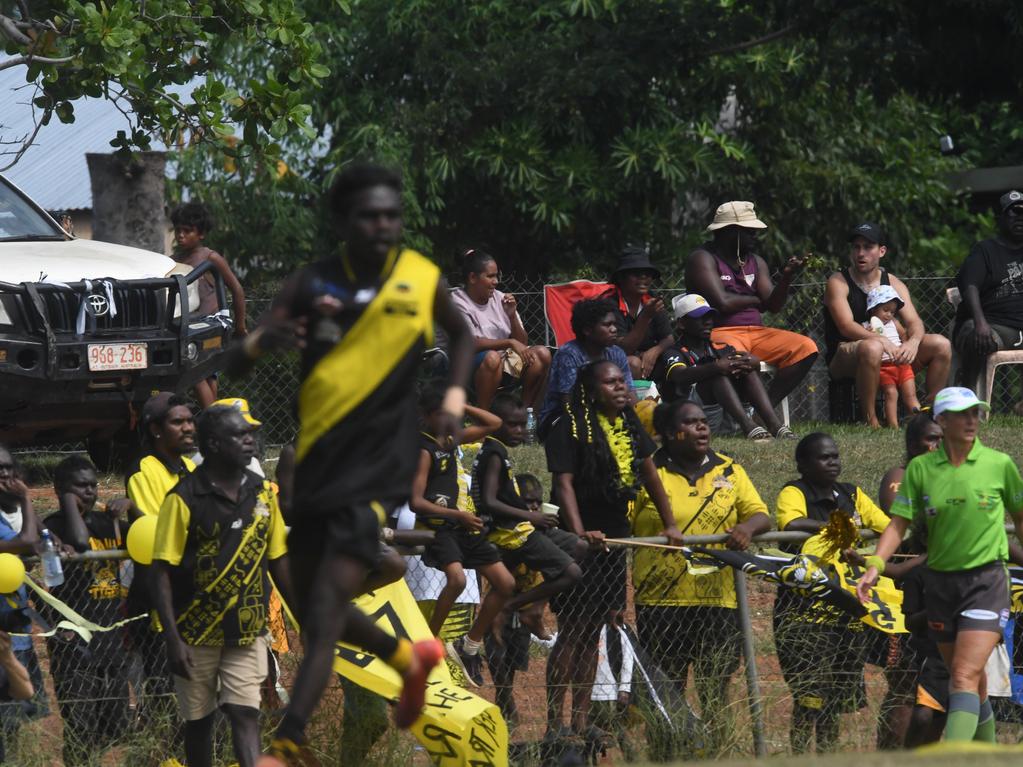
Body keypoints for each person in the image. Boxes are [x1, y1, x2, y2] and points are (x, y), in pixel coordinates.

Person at [234, 163, 474, 765]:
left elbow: (464, 336)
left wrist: (450, 396)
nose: (383, 225)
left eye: (392, 214)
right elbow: (241, 358)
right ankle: (407, 657)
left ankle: (288, 739)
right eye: (369, 215)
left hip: (376, 464)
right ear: (343, 221)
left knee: (322, 612)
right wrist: (267, 340)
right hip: (316, 461)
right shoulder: (311, 281)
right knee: (325, 610)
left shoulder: (419, 277)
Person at [857, 386, 1023, 743]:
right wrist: (874, 563)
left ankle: (954, 758)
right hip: (941, 587)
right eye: (962, 414)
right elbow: (898, 523)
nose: (971, 420)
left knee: (962, 674)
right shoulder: (920, 470)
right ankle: (988, 756)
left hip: (987, 583)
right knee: (972, 682)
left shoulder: (1000, 464)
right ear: (942, 421)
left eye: (975, 413)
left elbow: (1021, 520)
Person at [544, 360, 682, 748]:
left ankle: (581, 718)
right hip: (577, 539)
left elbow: (649, 473)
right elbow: (564, 485)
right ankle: (556, 723)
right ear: (590, 391)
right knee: (571, 631)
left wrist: (670, 524)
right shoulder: (567, 427)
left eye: (622, 381)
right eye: (611, 382)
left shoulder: (628, 422)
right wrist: (578, 532)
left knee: (595, 631)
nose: (622, 387)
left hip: (614, 536)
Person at [151, 403, 293, 767]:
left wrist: (305, 617)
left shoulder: (264, 494)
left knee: (246, 716)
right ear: (213, 444)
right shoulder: (183, 498)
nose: (251, 441)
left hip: (246, 632)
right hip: (193, 635)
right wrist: (172, 638)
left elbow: (278, 559)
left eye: (251, 434)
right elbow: (161, 572)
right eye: (240, 435)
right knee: (199, 722)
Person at [632, 398, 771, 752]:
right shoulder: (647, 473)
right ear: (667, 433)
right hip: (662, 601)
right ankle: (666, 755)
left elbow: (760, 514)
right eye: (691, 423)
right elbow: (623, 520)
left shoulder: (730, 470)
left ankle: (719, 754)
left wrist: (747, 528)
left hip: (719, 600)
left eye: (703, 421)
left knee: (716, 687)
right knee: (667, 689)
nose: (702, 428)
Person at [774, 432, 890, 753]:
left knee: (834, 701)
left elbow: (884, 523)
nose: (833, 462)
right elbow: (791, 523)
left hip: (845, 612)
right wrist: (835, 527)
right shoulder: (794, 491)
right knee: (808, 696)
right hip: (803, 614)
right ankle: (799, 756)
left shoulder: (850, 493)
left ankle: (827, 756)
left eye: (835, 456)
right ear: (803, 464)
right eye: (824, 457)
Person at [466, 394, 583, 685]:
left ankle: (532, 605)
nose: (521, 431)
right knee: (571, 571)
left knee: (579, 546)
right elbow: (490, 501)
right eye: (514, 425)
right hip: (510, 533)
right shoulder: (494, 452)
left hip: (519, 528)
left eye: (523, 425)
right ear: (496, 425)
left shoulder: (497, 450)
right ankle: (520, 605)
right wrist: (531, 517)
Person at [410, 382, 515, 660]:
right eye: (442, 414)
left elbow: (494, 424)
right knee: (456, 580)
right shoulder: (424, 449)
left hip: (463, 526)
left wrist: (462, 404)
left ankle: (469, 643)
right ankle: (428, 639)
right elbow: (416, 502)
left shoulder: (451, 441)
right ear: (428, 416)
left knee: (505, 583)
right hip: (441, 527)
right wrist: (458, 515)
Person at [684, 200, 818, 405]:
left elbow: (772, 306)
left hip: (757, 332)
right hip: (720, 331)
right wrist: (757, 300)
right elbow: (723, 303)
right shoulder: (703, 258)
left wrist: (786, 277)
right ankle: (744, 418)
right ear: (730, 231)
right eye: (749, 231)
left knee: (806, 348)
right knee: (739, 358)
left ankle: (764, 412)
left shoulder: (756, 261)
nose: (754, 236)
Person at [45, 455, 131, 766]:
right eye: (80, 487)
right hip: (75, 649)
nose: (91, 492)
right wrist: (68, 504)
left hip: (111, 642)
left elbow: (152, 534)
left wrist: (132, 505)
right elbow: (80, 544)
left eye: (94, 485)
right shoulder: (52, 527)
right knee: (81, 729)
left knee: (116, 728)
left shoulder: (108, 523)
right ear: (61, 490)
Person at [824, 222, 950, 425]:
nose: (861, 253)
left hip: (891, 356)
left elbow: (914, 321)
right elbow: (846, 326)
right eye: (856, 247)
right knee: (872, 347)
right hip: (846, 356)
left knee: (941, 344)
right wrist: (883, 341)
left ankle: (926, 414)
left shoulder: (893, 282)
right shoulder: (838, 281)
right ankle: (871, 420)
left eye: (868, 247)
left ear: (881, 251)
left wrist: (913, 342)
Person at [123, 392, 197, 724]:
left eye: (190, 420)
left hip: (199, 603)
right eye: (177, 422)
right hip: (162, 607)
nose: (188, 428)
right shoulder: (143, 472)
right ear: (155, 429)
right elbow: (161, 535)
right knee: (168, 702)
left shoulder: (192, 468)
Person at [655, 293, 792, 440]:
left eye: (709, 316)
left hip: (730, 418)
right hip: (696, 419)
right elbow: (679, 375)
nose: (707, 322)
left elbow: (746, 370)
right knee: (717, 376)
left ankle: (774, 426)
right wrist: (717, 367)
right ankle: (748, 426)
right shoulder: (673, 351)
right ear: (682, 323)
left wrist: (754, 363)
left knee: (746, 369)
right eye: (699, 317)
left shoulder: (722, 348)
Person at [451, 249, 551, 409]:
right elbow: (468, 343)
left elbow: (522, 343)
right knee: (492, 358)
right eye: (490, 276)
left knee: (541, 355)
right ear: (472, 278)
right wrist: (508, 342)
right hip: (467, 368)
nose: (496, 281)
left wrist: (511, 316)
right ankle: (484, 420)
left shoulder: (501, 298)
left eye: (496, 276)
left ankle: (524, 416)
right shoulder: (458, 302)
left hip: (505, 365)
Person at [170, 202, 248, 407]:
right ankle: (213, 421)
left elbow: (237, 290)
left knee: (196, 374)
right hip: (188, 326)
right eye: (178, 230)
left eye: (187, 231)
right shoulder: (173, 260)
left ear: (201, 233)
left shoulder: (210, 258)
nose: (181, 235)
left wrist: (240, 327)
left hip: (211, 324)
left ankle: (211, 419)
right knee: (206, 376)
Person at [954, 191, 1023, 396]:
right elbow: (969, 286)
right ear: (1000, 219)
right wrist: (980, 323)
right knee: (979, 338)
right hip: (994, 325)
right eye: (1014, 213)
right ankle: (967, 395)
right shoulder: (985, 250)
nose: (1020, 217)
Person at [0, 446, 44, 762]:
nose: (4, 475)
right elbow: (27, 542)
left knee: (19, 703)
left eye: (8, 468)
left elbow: (40, 539)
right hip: (4, 629)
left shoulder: (8, 512)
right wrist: (27, 496)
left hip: (16, 625)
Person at [538, 298, 633, 439]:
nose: (614, 329)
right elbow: (568, 405)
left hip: (605, 412)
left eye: (614, 324)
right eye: (607, 325)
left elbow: (630, 394)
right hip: (562, 417)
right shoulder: (569, 354)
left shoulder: (616, 353)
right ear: (587, 330)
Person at [601, 246, 673, 378]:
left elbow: (668, 338)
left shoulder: (651, 299)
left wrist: (655, 351)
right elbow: (624, 350)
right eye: (636, 273)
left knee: (672, 359)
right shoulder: (609, 304)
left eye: (647, 273)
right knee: (633, 363)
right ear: (621, 278)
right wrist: (646, 316)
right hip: (611, 361)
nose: (644, 277)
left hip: (645, 360)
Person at [860, 285, 922, 427]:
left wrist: (905, 346)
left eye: (892, 312)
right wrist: (869, 334)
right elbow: (864, 346)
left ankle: (920, 422)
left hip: (902, 366)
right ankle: (893, 426)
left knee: (911, 395)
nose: (889, 314)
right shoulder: (866, 326)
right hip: (885, 367)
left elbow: (904, 335)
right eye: (885, 310)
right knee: (891, 393)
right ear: (873, 308)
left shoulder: (894, 323)